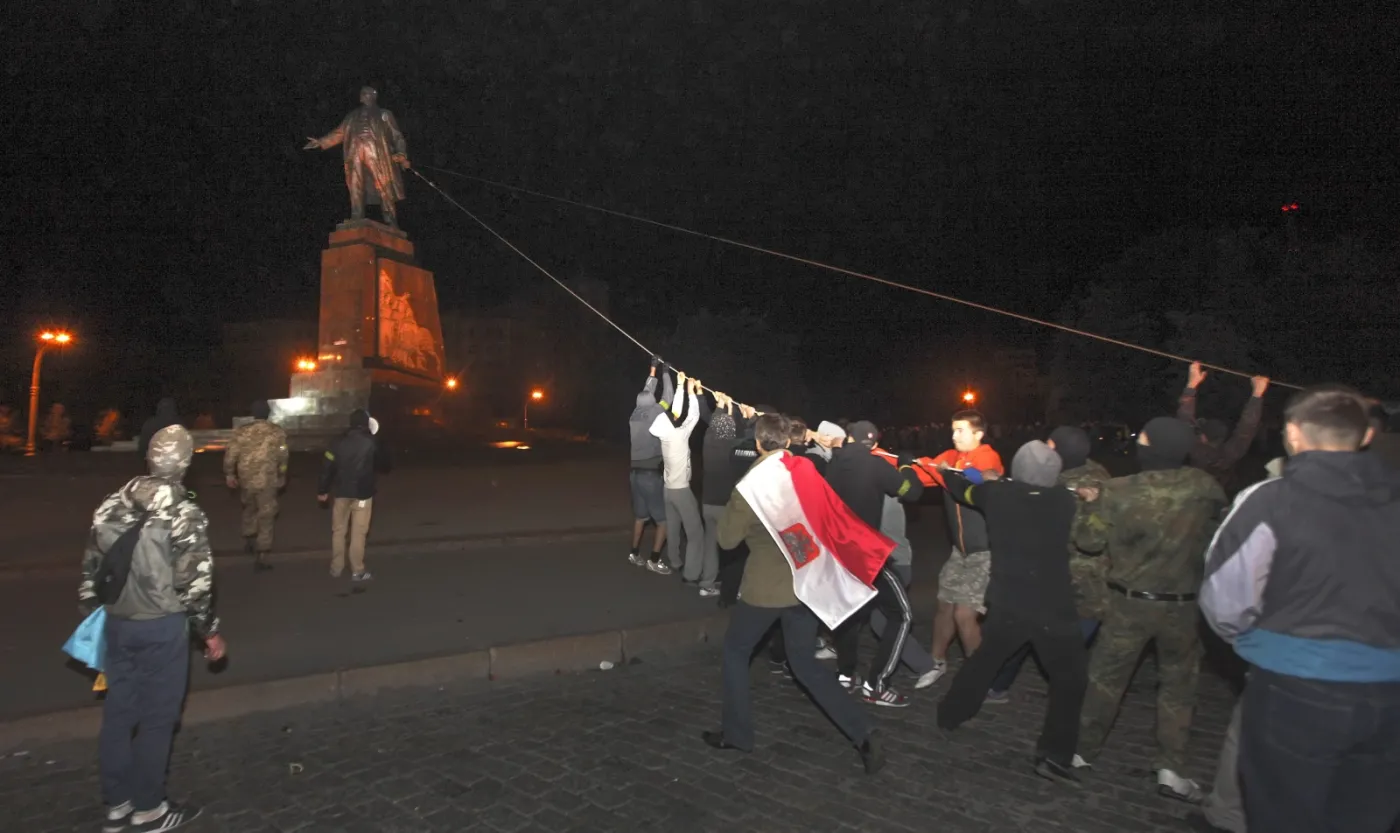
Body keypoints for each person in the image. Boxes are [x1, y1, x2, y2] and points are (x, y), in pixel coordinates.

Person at [1199, 385, 1400, 833]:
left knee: (1283, 814)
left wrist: (1256, 644)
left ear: (1292, 434)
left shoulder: (1272, 500)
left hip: (1297, 688)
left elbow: (1225, 597)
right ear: (1365, 435)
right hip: (1391, 693)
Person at [702, 414, 884, 774]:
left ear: (758, 443)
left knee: (736, 652)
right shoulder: (805, 471)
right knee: (805, 664)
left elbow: (726, 539)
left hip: (764, 590)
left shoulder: (751, 485)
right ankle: (862, 731)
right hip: (806, 584)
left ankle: (738, 733)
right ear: (787, 442)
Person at [1073, 416, 1226, 801]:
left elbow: (1089, 542)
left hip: (1130, 603)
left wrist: (1090, 506)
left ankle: (1079, 754)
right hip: (1184, 606)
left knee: (1105, 681)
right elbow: (1216, 533)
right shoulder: (1203, 486)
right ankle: (1171, 769)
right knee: (1178, 687)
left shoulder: (1119, 490)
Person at [79, 425, 224, 833]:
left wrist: (96, 618)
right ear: (185, 464)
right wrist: (209, 632)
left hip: (118, 625)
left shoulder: (110, 504)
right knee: (158, 720)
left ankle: (116, 804)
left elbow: (92, 572)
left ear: (149, 459)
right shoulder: (183, 513)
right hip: (162, 628)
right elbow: (195, 586)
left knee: (118, 714)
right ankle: (149, 809)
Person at [935, 441, 1088, 785]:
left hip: (1009, 602)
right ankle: (1054, 754)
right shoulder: (1065, 500)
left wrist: (950, 474)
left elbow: (965, 490)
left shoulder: (997, 496)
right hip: (1053, 607)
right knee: (1071, 680)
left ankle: (950, 714)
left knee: (985, 661)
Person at [986, 425, 1110, 701]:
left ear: (1054, 449)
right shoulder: (1099, 475)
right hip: (1091, 582)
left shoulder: (1057, 483)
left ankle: (1001, 685)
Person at [825, 421, 924, 706]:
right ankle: (876, 685)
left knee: (850, 615)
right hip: (867, 554)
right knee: (902, 615)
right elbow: (911, 491)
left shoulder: (833, 464)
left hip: (840, 552)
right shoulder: (876, 466)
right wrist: (905, 467)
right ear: (874, 444)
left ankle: (845, 676)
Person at [925, 410, 1005, 687]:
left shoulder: (987, 454)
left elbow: (986, 475)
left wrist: (957, 473)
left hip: (984, 552)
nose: (954, 435)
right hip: (959, 551)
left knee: (964, 614)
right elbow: (925, 470)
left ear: (978, 434)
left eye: (961, 430)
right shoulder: (950, 457)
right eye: (953, 429)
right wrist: (890, 462)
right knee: (944, 606)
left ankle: (980, 677)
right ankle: (936, 661)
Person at [304, 86, 411, 228]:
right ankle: (356, 215)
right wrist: (321, 142)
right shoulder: (352, 116)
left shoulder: (384, 114)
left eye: (365, 94)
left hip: (377, 155)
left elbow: (398, 137)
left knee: (383, 186)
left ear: (373, 96)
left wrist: (402, 154)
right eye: (361, 94)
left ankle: (391, 220)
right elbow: (339, 133)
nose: (361, 96)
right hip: (355, 154)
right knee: (355, 184)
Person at [317, 408, 387, 582]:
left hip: (341, 492)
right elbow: (385, 464)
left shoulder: (337, 442)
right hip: (363, 494)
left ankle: (336, 568)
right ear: (365, 423)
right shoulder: (371, 442)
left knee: (338, 531)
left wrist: (322, 490)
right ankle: (357, 570)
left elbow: (327, 467)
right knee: (359, 532)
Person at [223, 400, 290, 572]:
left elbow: (231, 455)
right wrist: (282, 474)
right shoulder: (277, 432)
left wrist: (230, 474)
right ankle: (262, 554)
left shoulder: (241, 432)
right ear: (268, 414)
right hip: (268, 480)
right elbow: (283, 456)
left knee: (249, 508)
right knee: (266, 514)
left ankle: (249, 538)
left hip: (246, 479)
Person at [1179, 362, 1268, 488]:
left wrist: (1191, 384)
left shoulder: (1196, 451)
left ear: (1204, 436)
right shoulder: (1228, 456)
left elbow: (1185, 420)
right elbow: (1246, 429)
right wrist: (1257, 394)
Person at [649, 371, 703, 578]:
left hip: (668, 490)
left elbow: (677, 414)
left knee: (673, 528)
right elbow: (693, 416)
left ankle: (675, 561)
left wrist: (680, 386)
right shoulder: (679, 435)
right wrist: (690, 391)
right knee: (696, 533)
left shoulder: (665, 435)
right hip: (681, 491)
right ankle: (691, 573)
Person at [696, 389, 744, 598]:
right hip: (725, 504)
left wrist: (717, 404)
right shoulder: (733, 447)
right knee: (730, 547)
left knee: (709, 544)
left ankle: (706, 583)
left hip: (707, 503)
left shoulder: (708, 440)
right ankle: (731, 587)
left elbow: (708, 417)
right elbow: (742, 428)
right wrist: (731, 407)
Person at [627, 358, 671, 569]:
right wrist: (666, 372)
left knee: (641, 517)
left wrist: (653, 368)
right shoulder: (655, 412)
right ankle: (654, 560)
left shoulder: (635, 414)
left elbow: (646, 391)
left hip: (634, 474)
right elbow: (668, 397)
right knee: (664, 521)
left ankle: (634, 554)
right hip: (649, 476)